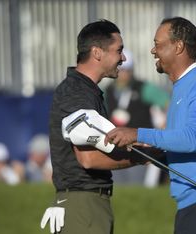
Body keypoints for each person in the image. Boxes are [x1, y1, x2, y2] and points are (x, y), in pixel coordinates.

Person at [105, 17, 196, 234]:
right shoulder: (181, 87)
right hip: (193, 204)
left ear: (178, 46)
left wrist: (137, 133)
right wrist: (152, 152)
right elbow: (181, 142)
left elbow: (194, 139)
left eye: (158, 44)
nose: (153, 50)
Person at [41, 19, 148, 234]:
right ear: (97, 52)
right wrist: (145, 156)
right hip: (83, 207)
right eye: (119, 50)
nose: (123, 58)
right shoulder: (77, 91)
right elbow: (88, 159)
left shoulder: (85, 90)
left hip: (84, 205)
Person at [104, 49, 169, 186]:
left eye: (127, 70)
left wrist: (166, 125)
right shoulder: (107, 90)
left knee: (137, 185)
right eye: (121, 69)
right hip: (114, 147)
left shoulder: (143, 88)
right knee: (118, 189)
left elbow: (168, 103)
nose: (123, 73)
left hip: (140, 147)